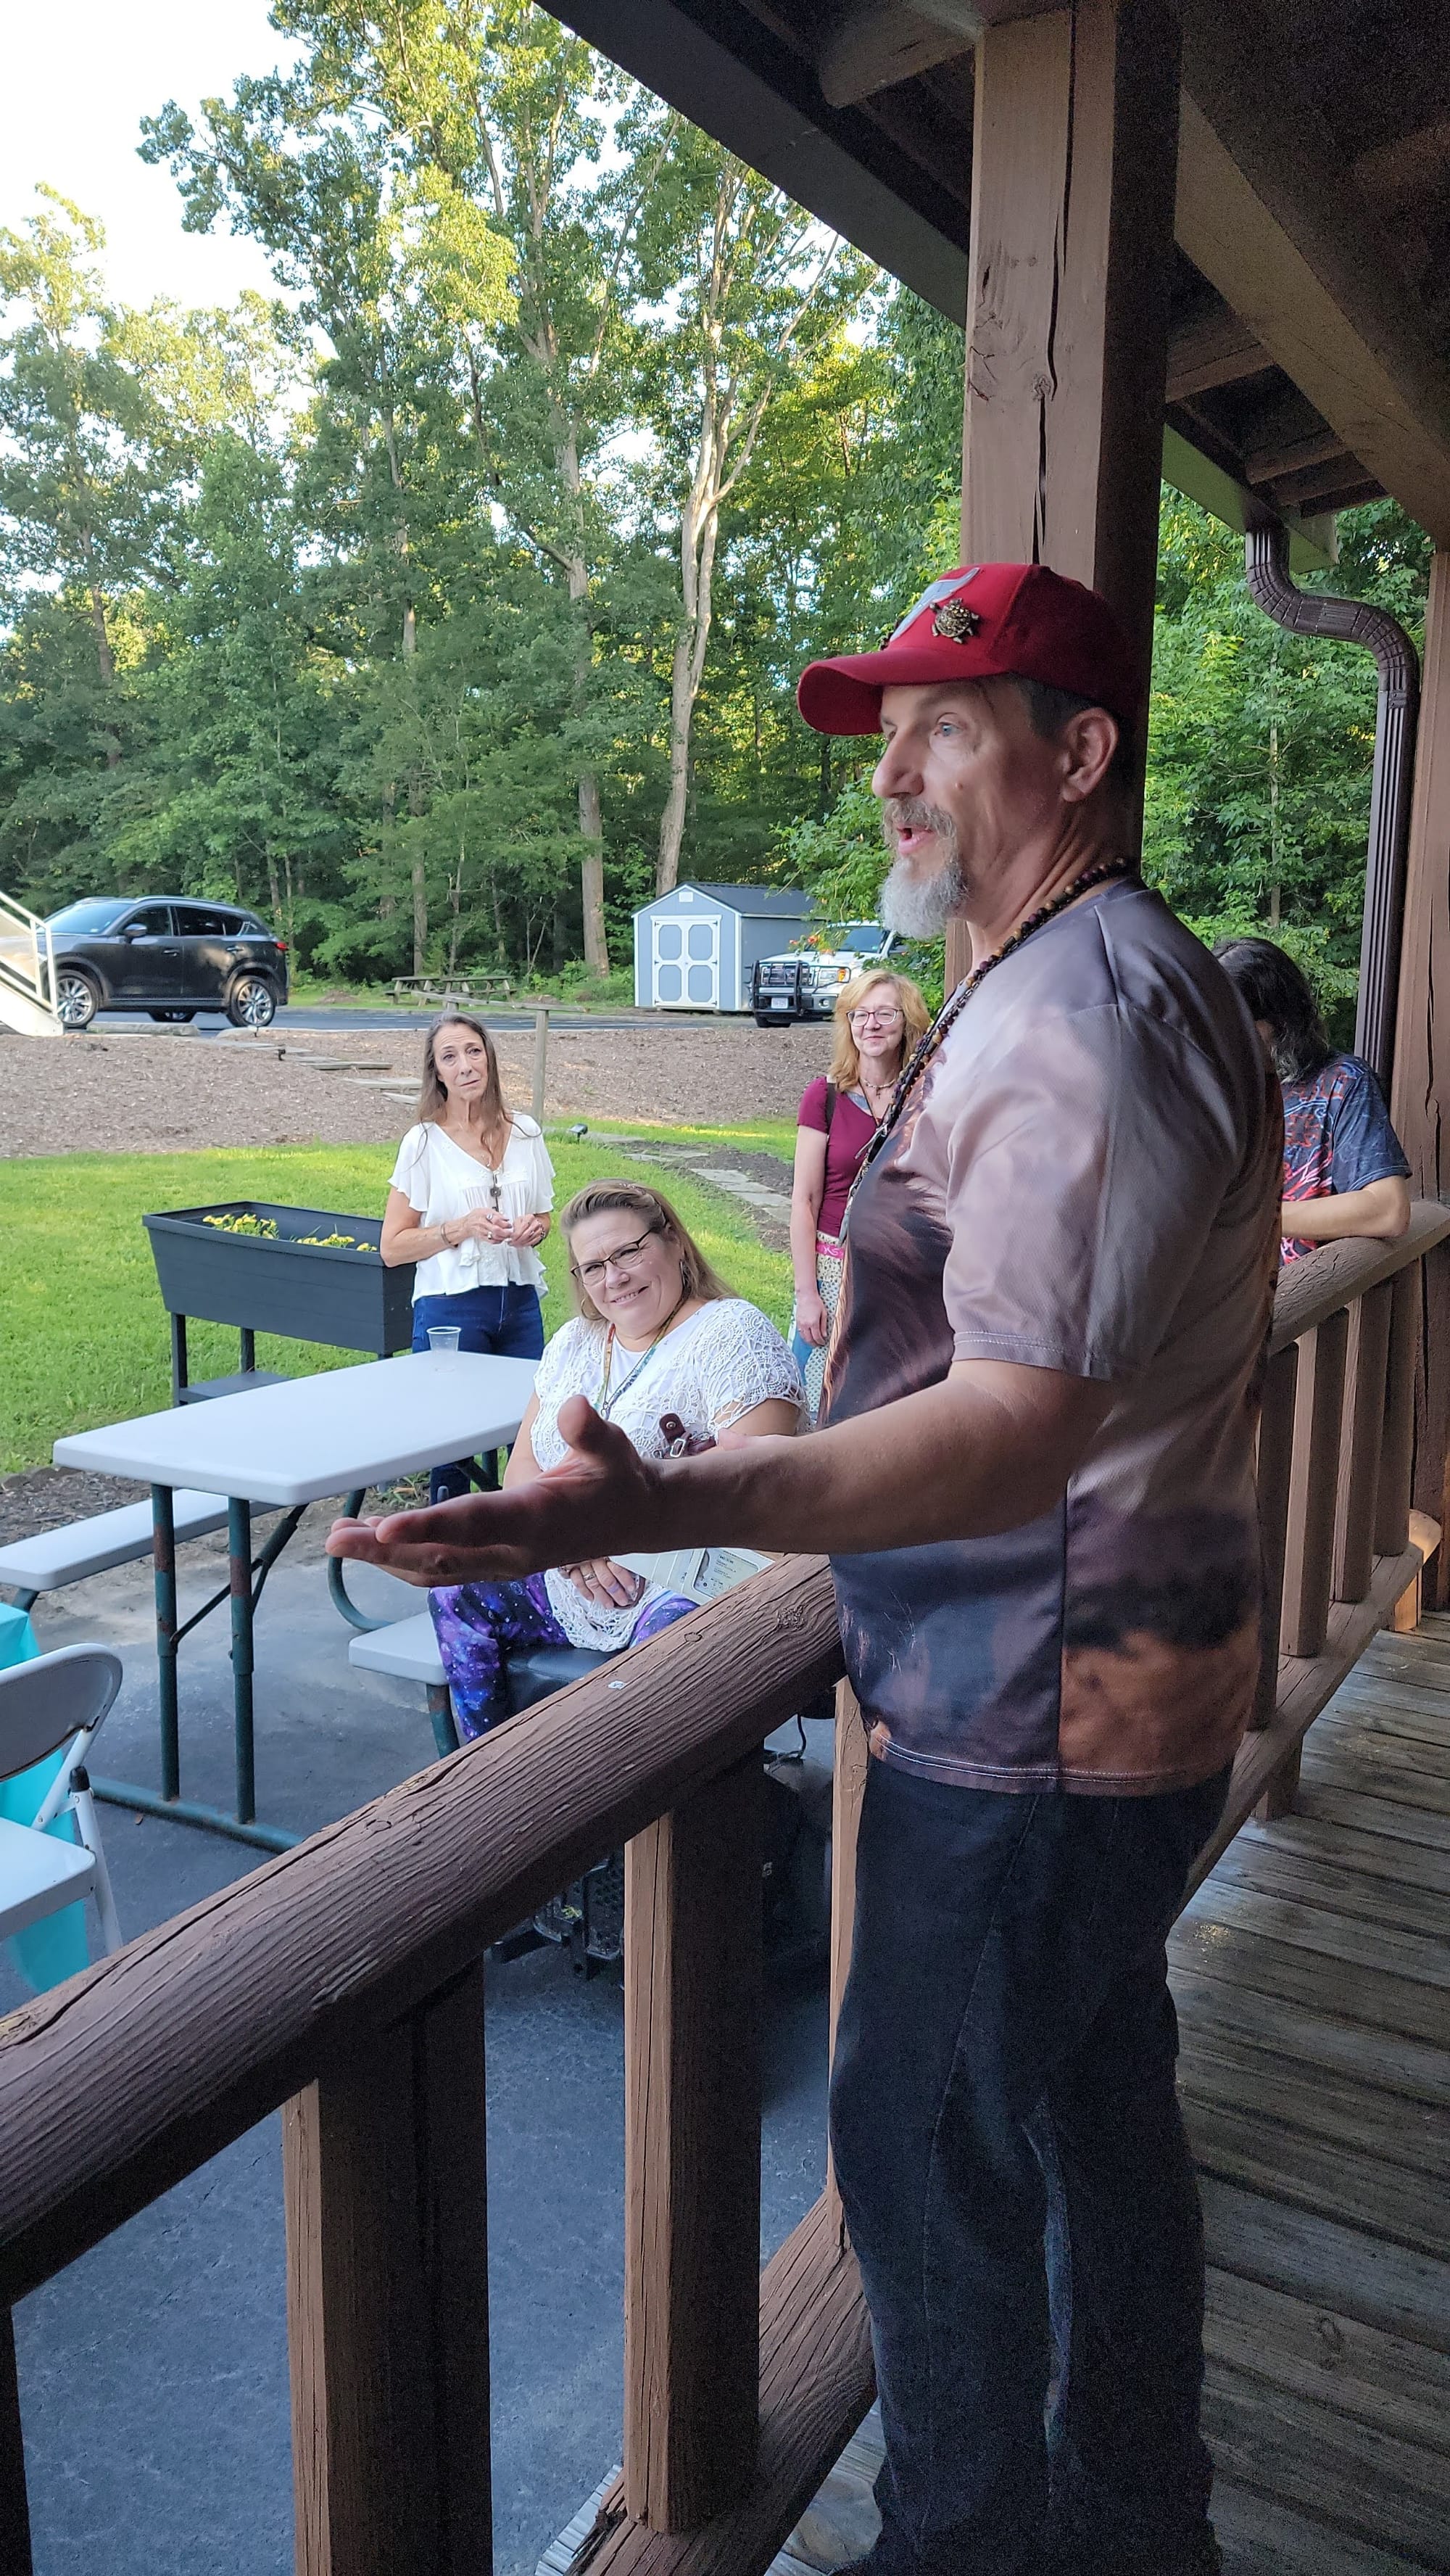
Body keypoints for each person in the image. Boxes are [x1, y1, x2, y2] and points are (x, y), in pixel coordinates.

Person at [331, 560, 1283, 2576]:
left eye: (944, 728)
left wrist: (667, 1509)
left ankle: (965, 2545)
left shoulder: (1083, 1016)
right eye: (885, 738)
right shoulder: (1082, 973)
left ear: (1079, 754)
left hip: (1030, 1728)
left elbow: (1011, 1423)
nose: (892, 777)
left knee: (922, 2162)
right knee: (1094, 2108)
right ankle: (1137, 2526)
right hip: (1102, 1703)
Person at [428, 1178, 803, 1736]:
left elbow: (752, 1502)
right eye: (593, 1267)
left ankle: (649, 1789)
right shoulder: (575, 1343)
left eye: (628, 1252)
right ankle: (493, 1772)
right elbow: (522, 1473)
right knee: (457, 1586)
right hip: (572, 1568)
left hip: (688, 1582)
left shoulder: (732, 1335)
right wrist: (573, 1545)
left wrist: (608, 1537)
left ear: (674, 1242)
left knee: (670, 1652)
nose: (615, 1277)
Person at [381, 1015, 554, 1502]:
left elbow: (544, 1215)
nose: (465, 1065)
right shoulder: (422, 1143)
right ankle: (450, 1544)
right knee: (451, 1443)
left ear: (489, 1058)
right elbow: (392, 1247)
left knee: (532, 1434)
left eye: (474, 1051)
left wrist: (534, 1228)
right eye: (450, 1057)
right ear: (436, 1072)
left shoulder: (525, 1132)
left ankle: (525, 1541)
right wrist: (460, 1229)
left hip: (519, 1305)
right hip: (451, 1311)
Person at [1214, 936, 1411, 1261]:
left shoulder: (1343, 1082)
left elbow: (1387, 1210)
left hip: (1307, 1285)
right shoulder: (1216, 1091)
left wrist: (1254, 1219)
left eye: (1240, 1023)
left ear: (1281, 1019)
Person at [790, 968, 930, 1421]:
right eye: (860, 1014)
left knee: (889, 1395)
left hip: (901, 1269)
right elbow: (804, 1201)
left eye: (886, 1014)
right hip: (834, 1270)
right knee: (818, 1397)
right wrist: (807, 1294)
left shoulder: (925, 1098)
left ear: (907, 1022)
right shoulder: (825, 1097)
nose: (872, 1024)